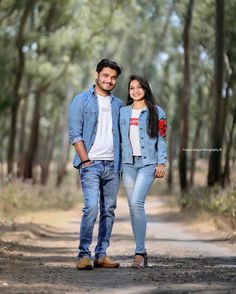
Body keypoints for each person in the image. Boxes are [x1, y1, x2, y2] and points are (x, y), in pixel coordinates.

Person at [69, 59, 123, 270]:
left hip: (113, 166)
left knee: (108, 210)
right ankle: (84, 255)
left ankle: (101, 255)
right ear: (97, 75)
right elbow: (75, 134)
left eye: (114, 78)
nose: (109, 81)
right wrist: (86, 161)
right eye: (106, 76)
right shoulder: (81, 100)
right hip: (90, 165)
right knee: (91, 208)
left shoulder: (118, 105)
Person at [120, 75, 167, 269]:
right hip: (128, 164)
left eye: (139, 87)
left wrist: (161, 163)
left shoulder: (158, 112)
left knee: (137, 202)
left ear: (146, 89)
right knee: (132, 206)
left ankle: (139, 252)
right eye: (132, 88)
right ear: (129, 91)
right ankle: (142, 251)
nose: (135, 90)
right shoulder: (123, 112)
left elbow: (162, 139)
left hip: (148, 164)